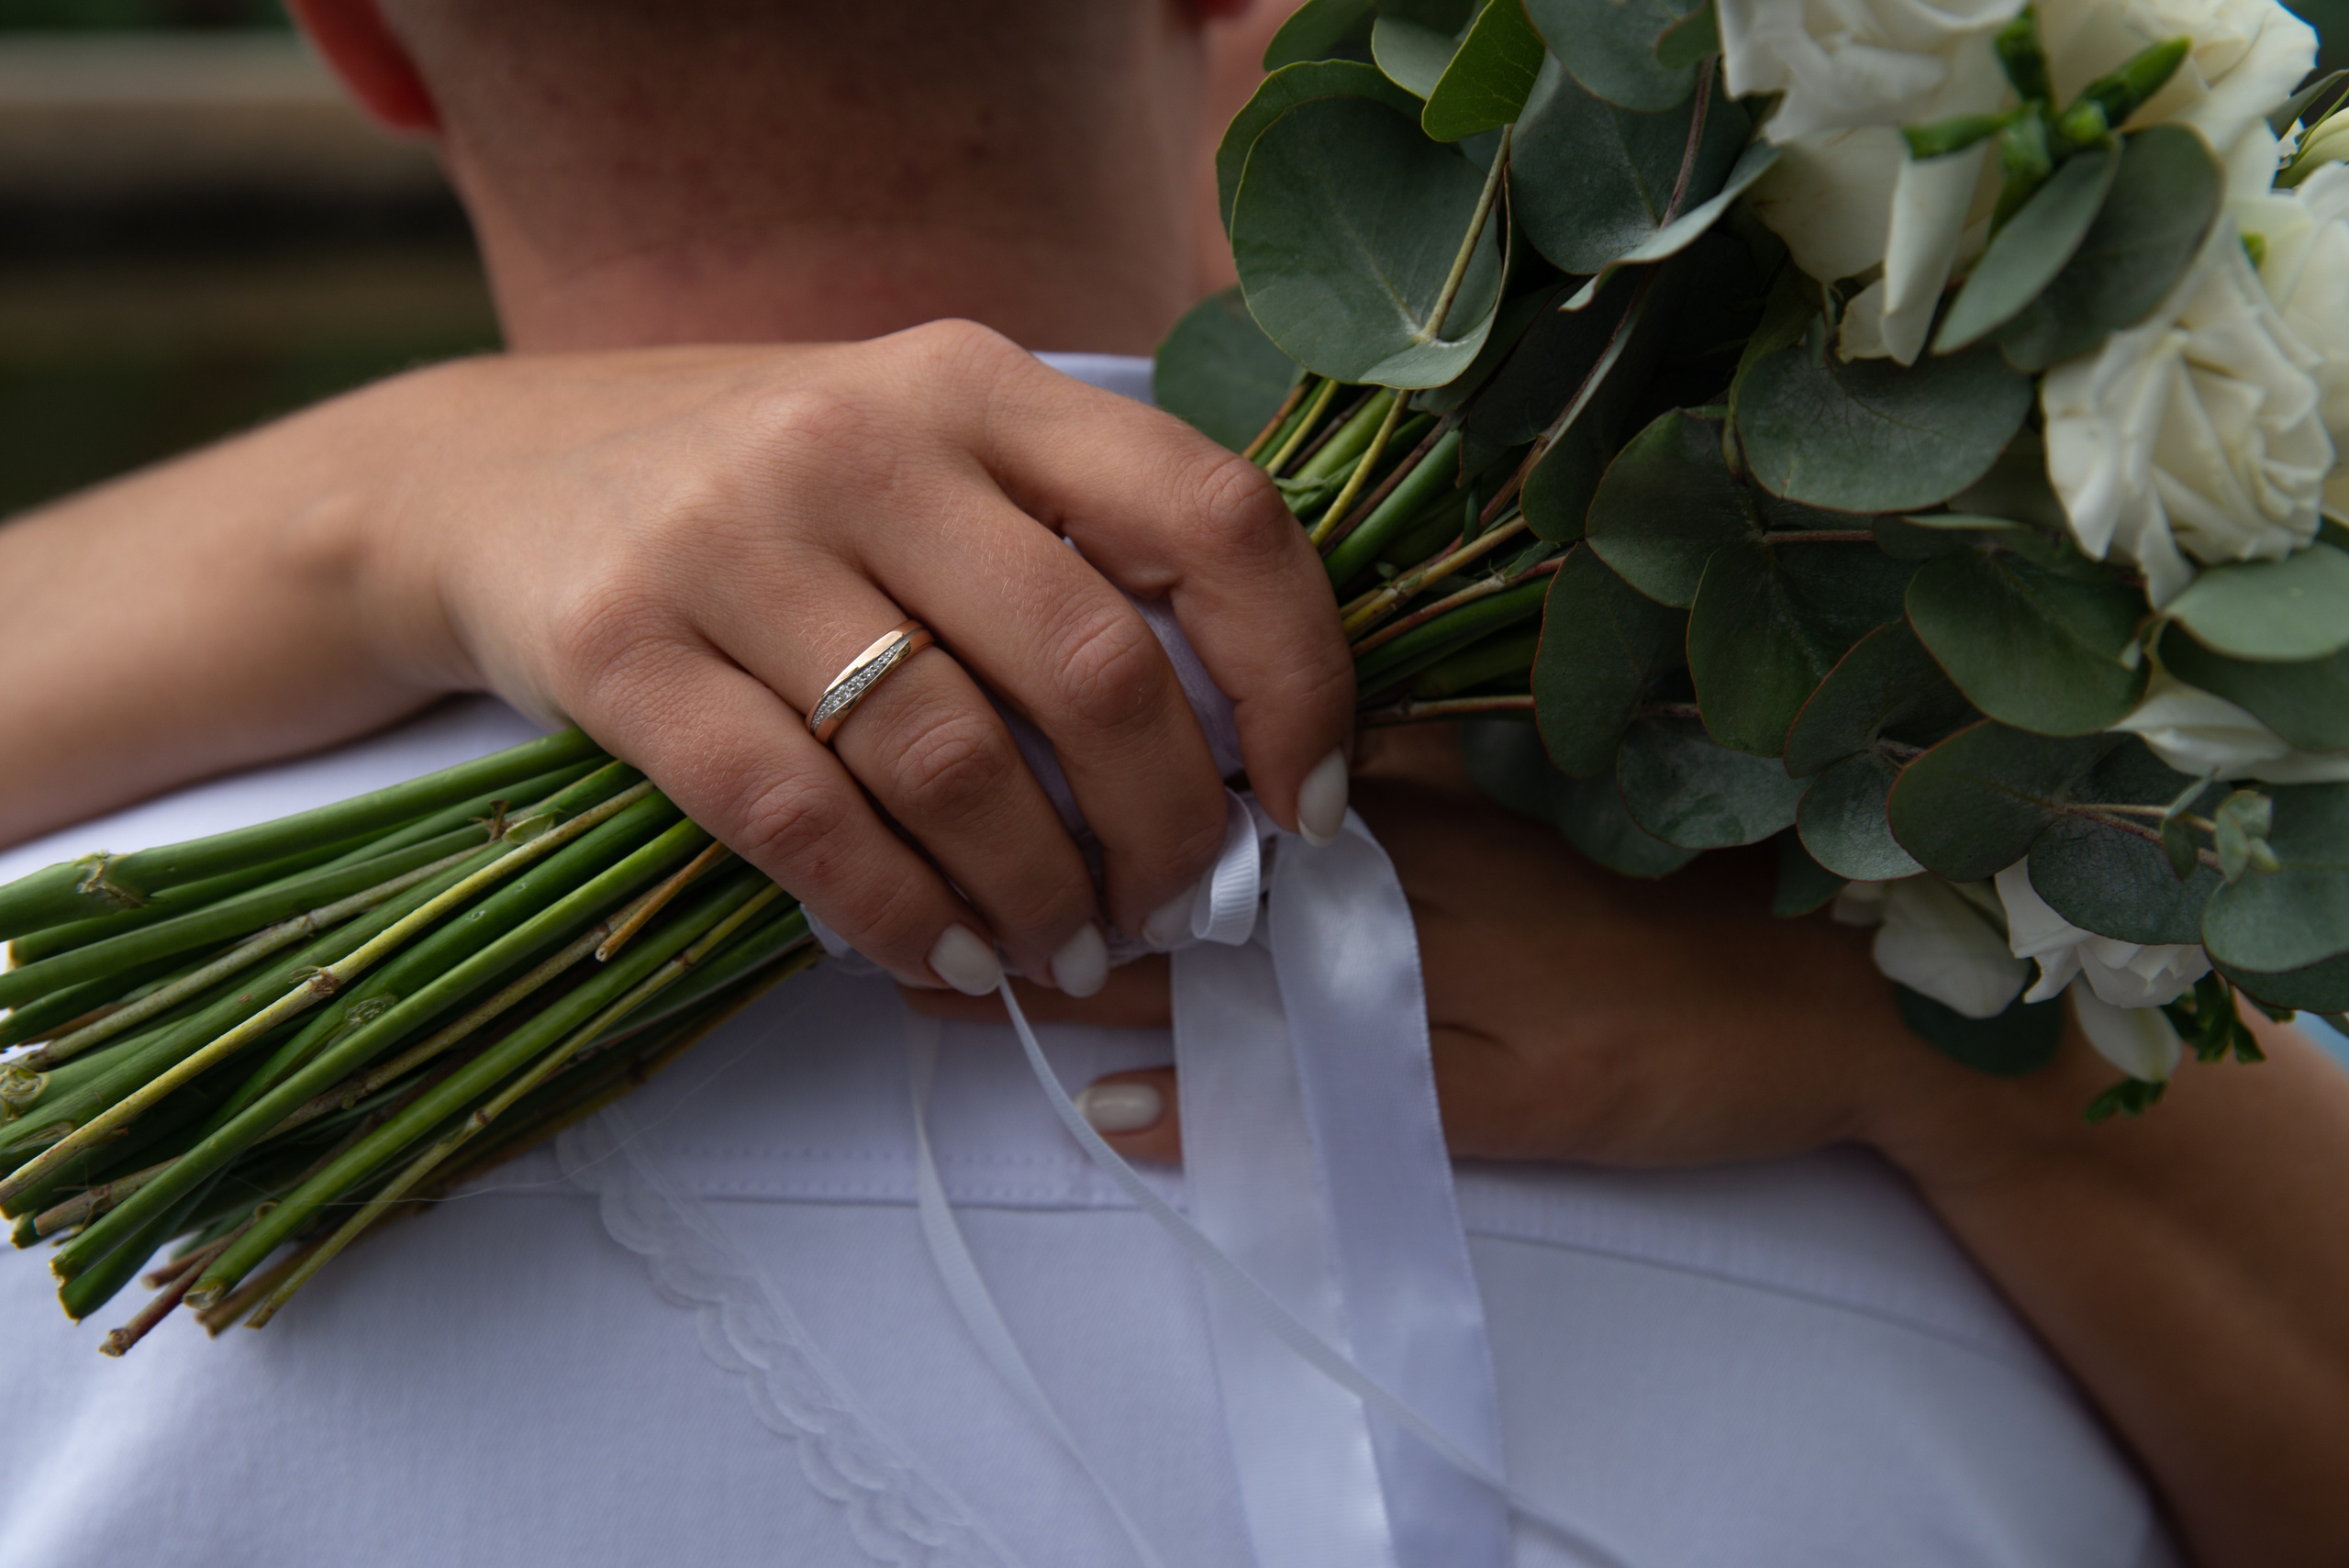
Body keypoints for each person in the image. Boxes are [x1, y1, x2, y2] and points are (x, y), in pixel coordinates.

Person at [0, 2, 2343, 1563]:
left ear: (355, 36)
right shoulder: (2056, 1110)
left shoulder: (67, 981)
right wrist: (1978, 1065)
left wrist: (368, 508)